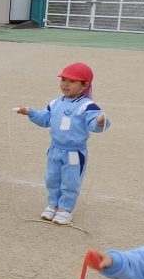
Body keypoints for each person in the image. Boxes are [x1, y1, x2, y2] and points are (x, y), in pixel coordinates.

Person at [15, 62, 109, 225]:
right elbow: (45, 119)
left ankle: (65, 209)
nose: (65, 84)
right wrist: (30, 112)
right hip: (55, 149)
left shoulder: (87, 106)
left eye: (72, 81)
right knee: (52, 178)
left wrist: (100, 121)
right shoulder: (55, 103)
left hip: (74, 153)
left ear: (85, 85)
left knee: (70, 181)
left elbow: (94, 125)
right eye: (63, 80)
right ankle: (52, 204)